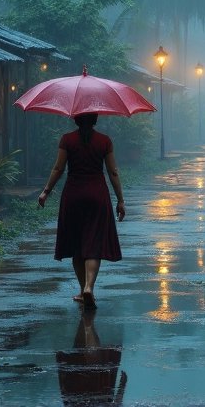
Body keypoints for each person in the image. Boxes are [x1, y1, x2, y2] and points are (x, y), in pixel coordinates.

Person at [38, 113, 126, 309]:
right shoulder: (104, 141)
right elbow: (113, 172)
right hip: (97, 195)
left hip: (73, 195)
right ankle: (89, 287)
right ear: (95, 120)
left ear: (75, 120)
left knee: (78, 245)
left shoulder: (67, 139)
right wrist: (120, 200)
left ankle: (82, 289)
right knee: (94, 243)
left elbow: (58, 168)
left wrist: (46, 192)